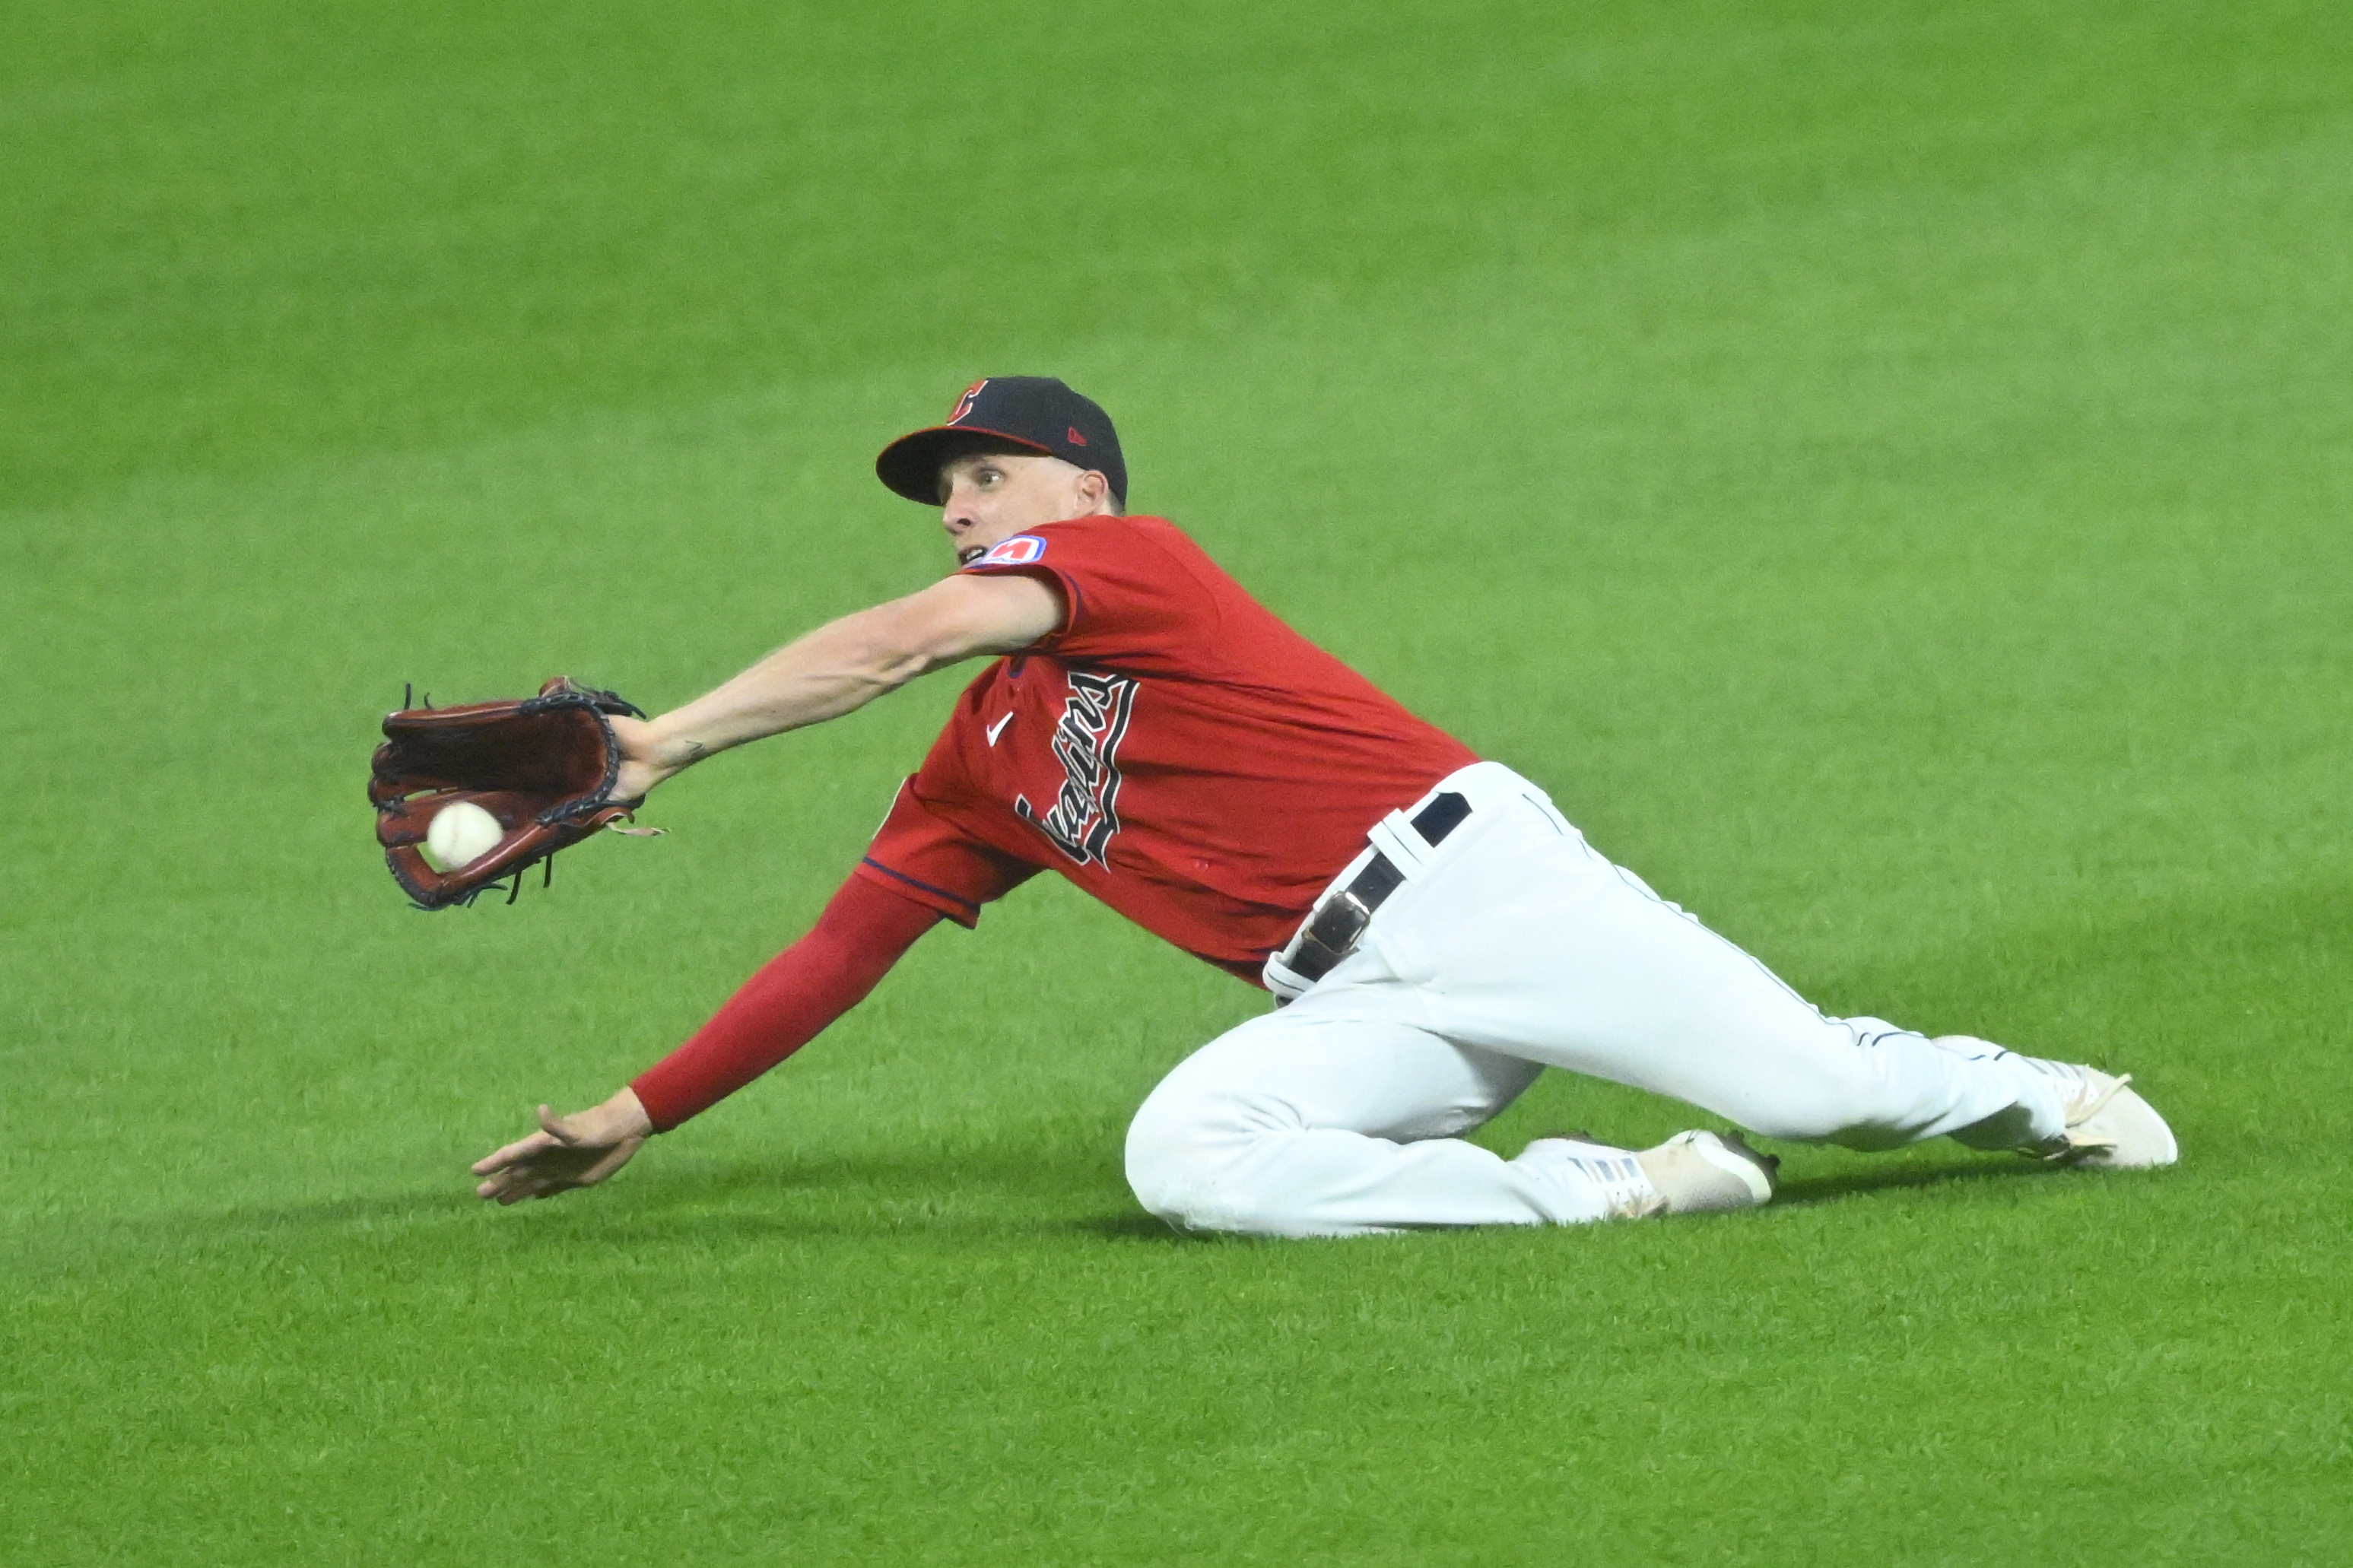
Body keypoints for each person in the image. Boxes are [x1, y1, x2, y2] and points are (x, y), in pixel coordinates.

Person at [471, 376, 2177, 1234]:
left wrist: (668, 738)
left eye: (983, 474)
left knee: (1817, 1088)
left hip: (1486, 889)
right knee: (1187, 1159)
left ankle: (2025, 1089)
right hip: (1356, 992)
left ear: (1080, 486)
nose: (955, 505)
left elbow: (901, 640)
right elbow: (839, 951)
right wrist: (641, 1110)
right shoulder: (980, 764)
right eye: (941, 488)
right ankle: (1609, 1186)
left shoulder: (1126, 565)